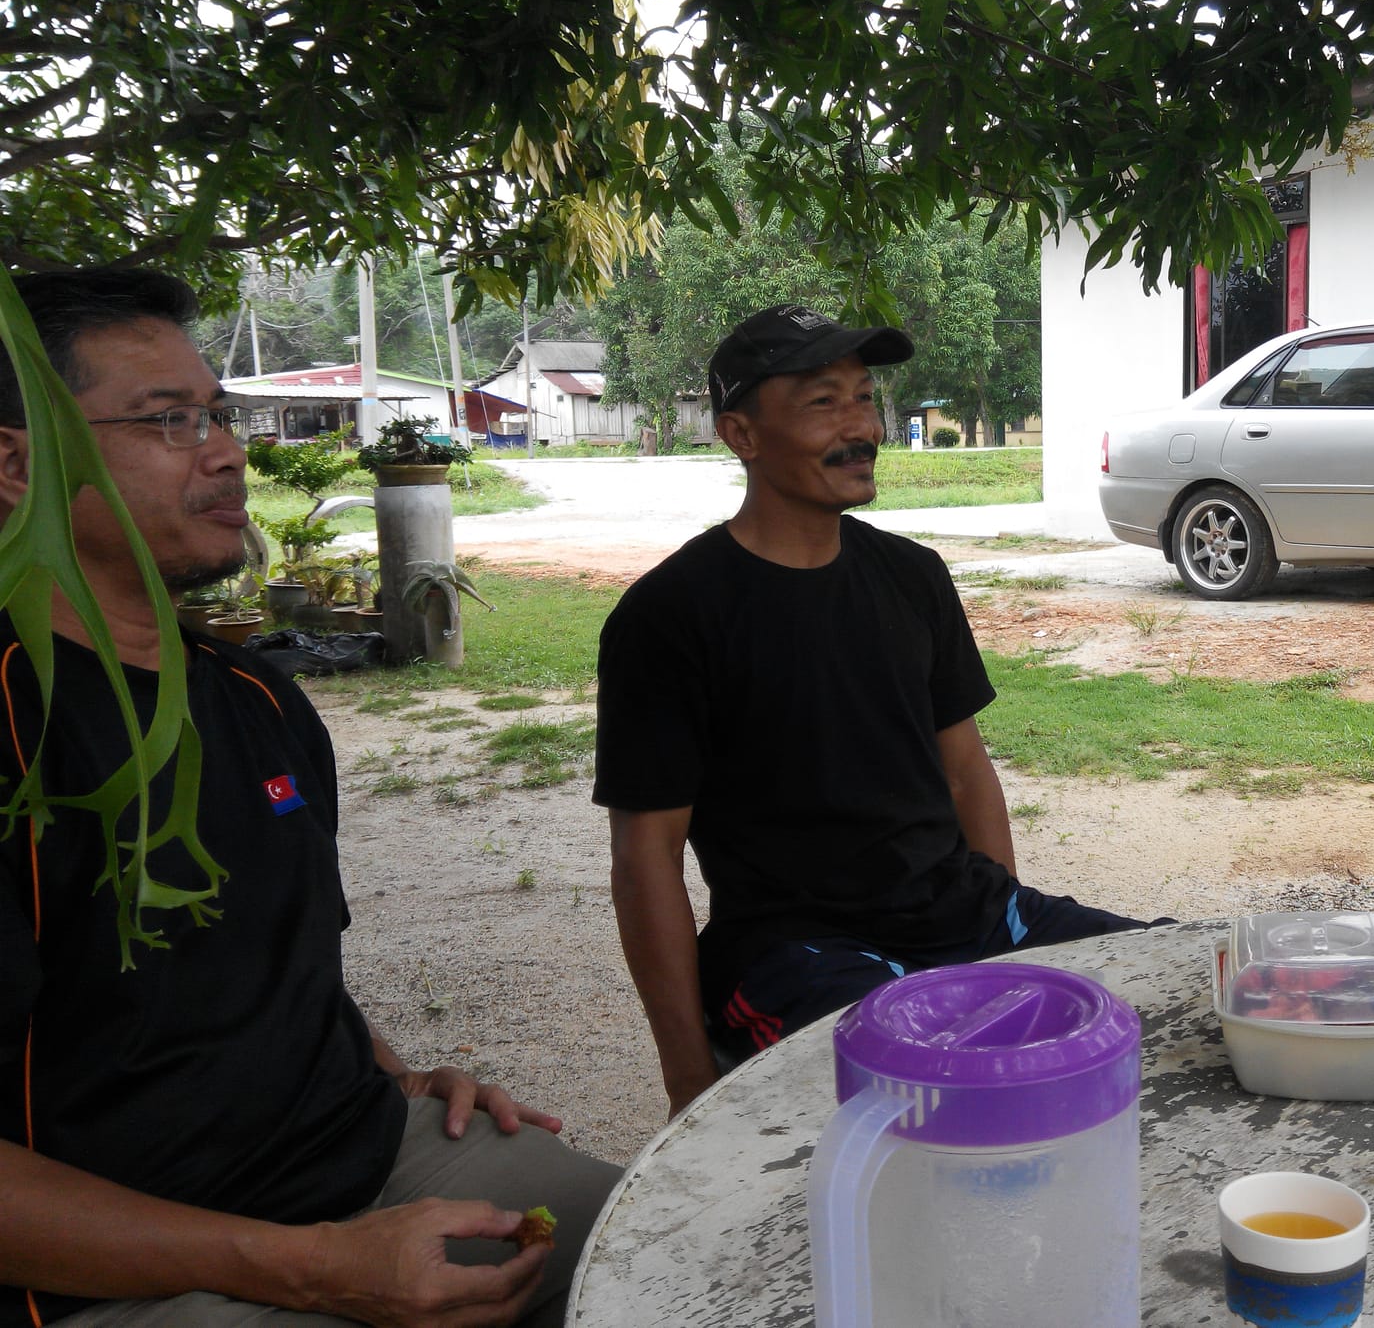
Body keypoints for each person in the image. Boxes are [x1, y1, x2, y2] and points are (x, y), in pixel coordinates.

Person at [0, 268, 621, 1328]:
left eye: (219, 415)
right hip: (124, 1265)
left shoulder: (255, 697)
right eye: (168, 421)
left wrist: (401, 1078)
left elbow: (279, 967)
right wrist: (314, 1267)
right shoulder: (15, 728)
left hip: (362, 1160)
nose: (226, 452)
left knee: (665, 1238)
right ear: (18, 466)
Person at [595, 304, 1155, 1114]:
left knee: (1181, 978)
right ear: (741, 434)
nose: (861, 427)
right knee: (937, 1094)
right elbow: (646, 856)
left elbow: (965, 774)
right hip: (802, 950)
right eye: (824, 402)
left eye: (864, 397)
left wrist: (1002, 961)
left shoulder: (912, 575)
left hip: (969, 914)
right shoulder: (670, 616)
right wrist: (687, 1078)